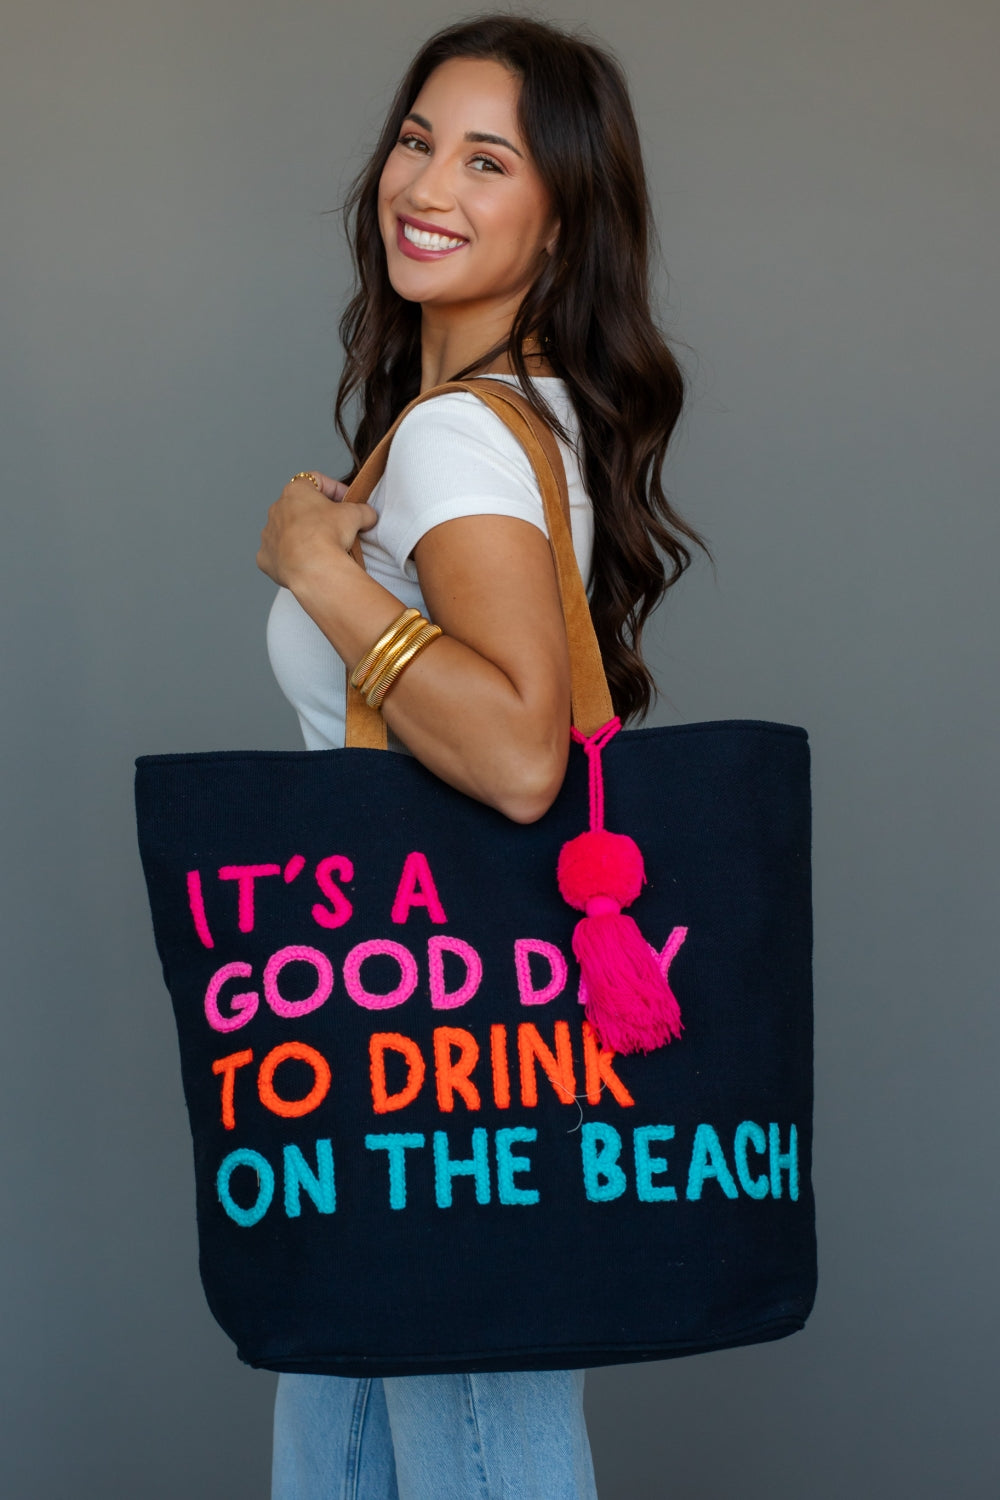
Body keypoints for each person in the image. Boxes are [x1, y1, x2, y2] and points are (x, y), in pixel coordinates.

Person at [257, 14, 703, 1499]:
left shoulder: (458, 439)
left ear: (561, 221)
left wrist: (318, 574)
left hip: (427, 1052)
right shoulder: (479, 426)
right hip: (401, 1044)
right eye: (416, 138)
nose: (427, 183)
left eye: (488, 160)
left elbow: (521, 759)